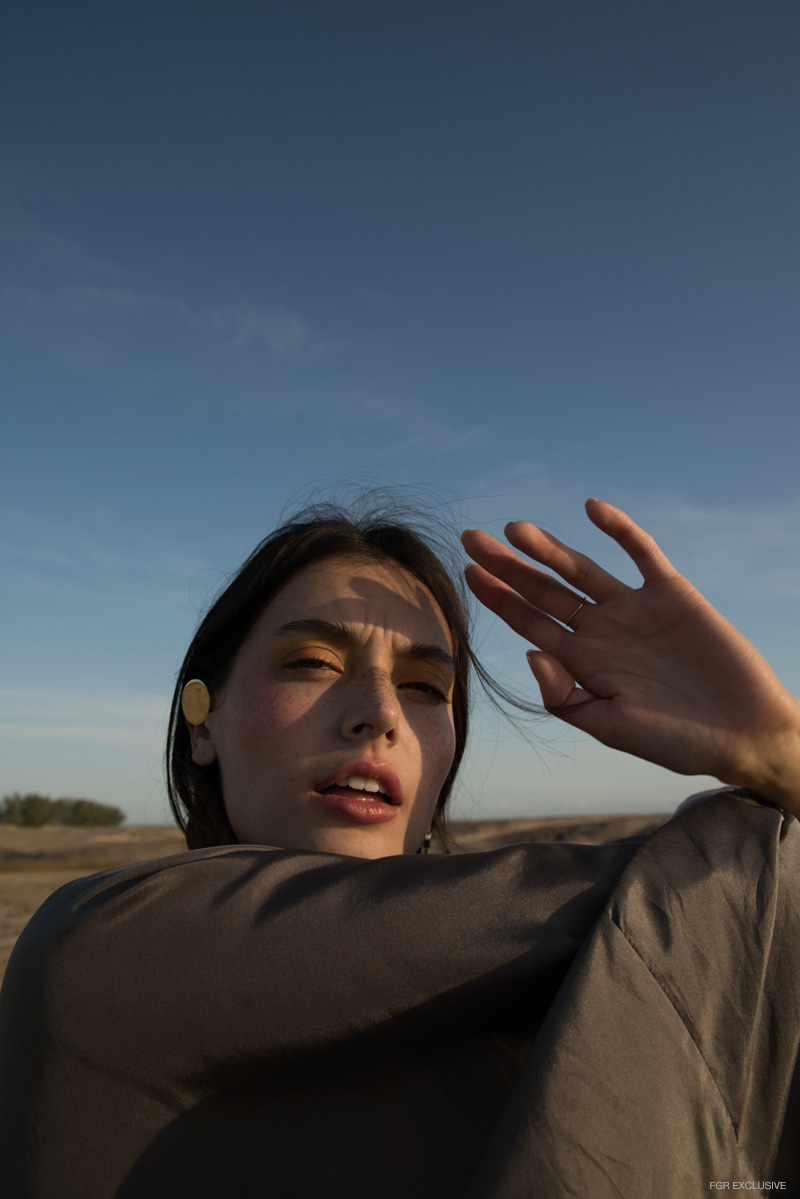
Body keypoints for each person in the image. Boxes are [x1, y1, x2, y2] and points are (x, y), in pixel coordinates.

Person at [0, 495, 798, 1198]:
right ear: (201, 718)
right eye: (312, 661)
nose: (379, 712)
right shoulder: (99, 946)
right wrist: (777, 760)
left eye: (424, 686)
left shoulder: (533, 996)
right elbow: (733, 896)